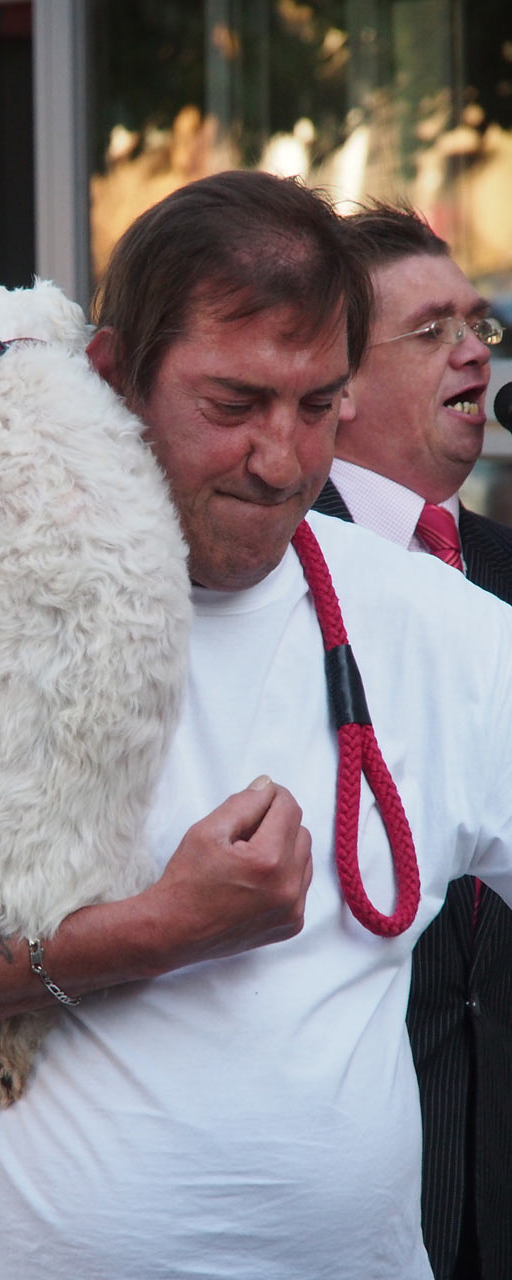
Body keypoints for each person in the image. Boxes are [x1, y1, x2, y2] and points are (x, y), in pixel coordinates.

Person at [0, 171, 512, 1280]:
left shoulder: (443, 632)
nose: (282, 459)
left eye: (316, 405)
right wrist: (161, 925)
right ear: (115, 377)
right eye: (231, 404)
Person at [313, 202, 512, 1280]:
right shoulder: (281, 571)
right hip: (360, 1165)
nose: (475, 350)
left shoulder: (503, 568)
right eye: (431, 329)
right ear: (333, 382)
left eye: (478, 325)